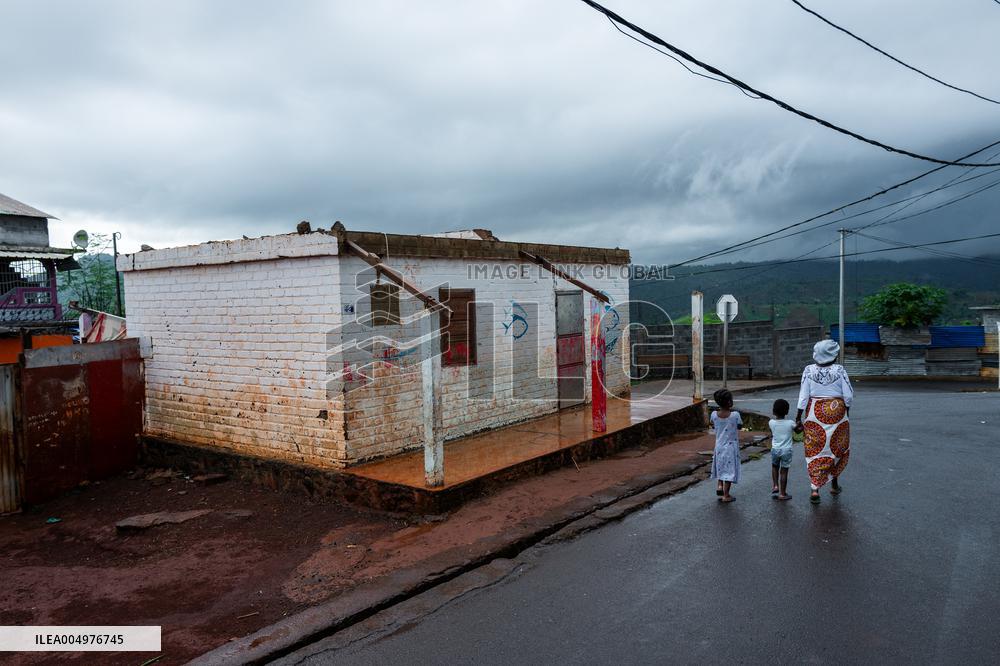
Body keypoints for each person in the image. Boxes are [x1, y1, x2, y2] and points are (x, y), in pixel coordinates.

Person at [796, 339, 854, 504]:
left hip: (814, 413)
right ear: (834, 355)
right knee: (836, 447)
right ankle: (834, 485)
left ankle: (815, 488)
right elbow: (848, 395)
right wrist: (846, 412)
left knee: (816, 449)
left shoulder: (808, 370)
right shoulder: (840, 370)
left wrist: (798, 417)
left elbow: (803, 396)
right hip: (837, 411)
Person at [710, 388, 742, 503]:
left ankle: (719, 485)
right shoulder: (735, 415)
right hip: (730, 447)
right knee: (729, 471)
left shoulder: (713, 415)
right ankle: (726, 495)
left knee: (720, 466)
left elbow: (713, 425)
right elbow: (739, 426)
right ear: (729, 402)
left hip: (718, 446)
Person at [768, 398, 795, 501]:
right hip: (786, 450)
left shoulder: (771, 422)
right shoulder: (790, 423)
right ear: (787, 411)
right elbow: (798, 430)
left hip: (775, 449)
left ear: (774, 411)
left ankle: (775, 485)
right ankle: (782, 494)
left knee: (775, 467)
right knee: (784, 472)